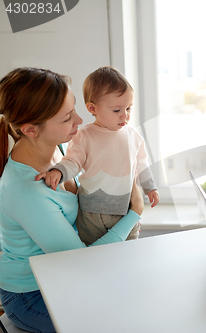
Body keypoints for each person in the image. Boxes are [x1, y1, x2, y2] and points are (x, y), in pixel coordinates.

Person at [0, 67, 144, 332]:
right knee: (122, 321)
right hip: (31, 295)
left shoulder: (61, 151)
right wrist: (135, 212)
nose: (80, 121)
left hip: (61, 274)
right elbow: (79, 260)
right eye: (67, 118)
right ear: (31, 129)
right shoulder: (27, 191)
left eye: (75, 109)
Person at [36, 66, 159, 245]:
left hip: (125, 209)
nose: (124, 115)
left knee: (130, 251)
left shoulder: (133, 135)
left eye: (129, 108)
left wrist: (150, 187)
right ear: (93, 108)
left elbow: (141, 164)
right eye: (117, 110)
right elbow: (72, 161)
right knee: (94, 254)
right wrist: (58, 172)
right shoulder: (84, 135)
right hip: (91, 212)